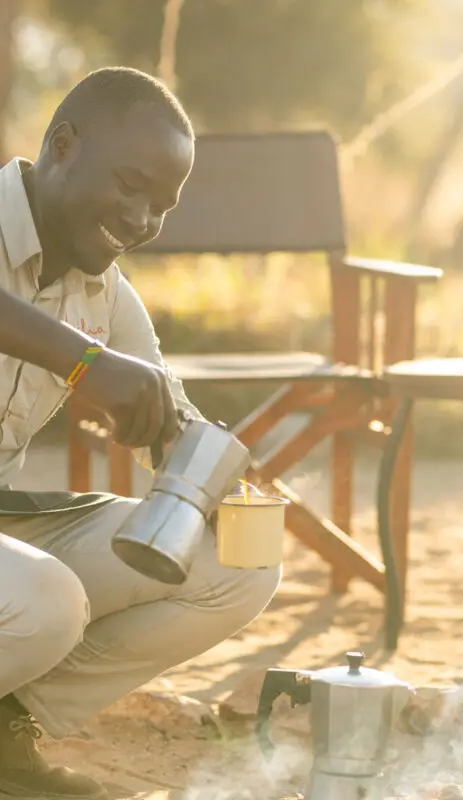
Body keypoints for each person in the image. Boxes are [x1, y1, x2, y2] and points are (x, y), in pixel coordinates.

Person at [0, 67, 280, 799]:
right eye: (129, 185)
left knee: (244, 562)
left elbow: (167, 411)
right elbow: (94, 366)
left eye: (161, 205)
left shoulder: (107, 294)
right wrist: (84, 362)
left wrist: (207, 471)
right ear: (63, 145)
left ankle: (4, 730)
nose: (141, 218)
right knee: (47, 602)